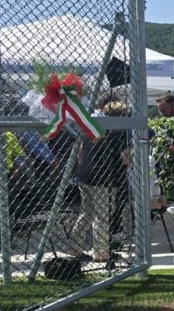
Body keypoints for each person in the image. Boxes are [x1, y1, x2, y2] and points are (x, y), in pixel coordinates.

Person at [69, 101, 132, 262]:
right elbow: (125, 157)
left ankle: (74, 247)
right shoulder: (118, 132)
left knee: (87, 212)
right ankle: (101, 252)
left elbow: (81, 152)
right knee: (102, 215)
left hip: (84, 174)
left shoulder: (92, 128)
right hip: (104, 177)